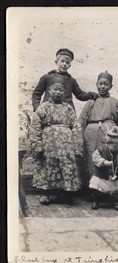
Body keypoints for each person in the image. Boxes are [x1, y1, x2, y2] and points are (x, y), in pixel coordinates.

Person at [29, 77, 83, 205]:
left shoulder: (68, 108)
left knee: (65, 166)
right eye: (55, 89)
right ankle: (45, 194)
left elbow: (76, 126)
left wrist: (77, 146)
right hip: (49, 145)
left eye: (61, 90)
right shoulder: (43, 108)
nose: (58, 92)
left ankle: (63, 194)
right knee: (47, 166)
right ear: (49, 90)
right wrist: (38, 145)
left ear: (64, 92)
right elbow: (35, 127)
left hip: (66, 146)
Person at [78, 71, 118, 185]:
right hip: (91, 135)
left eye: (106, 84)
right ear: (96, 84)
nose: (103, 86)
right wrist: (78, 139)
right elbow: (81, 121)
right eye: (100, 83)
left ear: (111, 86)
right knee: (92, 159)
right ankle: (92, 190)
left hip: (109, 135)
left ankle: (109, 191)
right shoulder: (91, 101)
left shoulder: (115, 102)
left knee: (109, 159)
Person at [32, 48, 98, 111]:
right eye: (62, 61)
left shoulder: (71, 80)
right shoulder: (47, 77)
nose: (64, 64)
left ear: (69, 66)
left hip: (67, 112)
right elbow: (37, 93)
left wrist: (90, 95)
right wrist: (37, 107)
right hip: (49, 111)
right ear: (56, 62)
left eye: (67, 62)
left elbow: (80, 95)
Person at [89, 126, 118, 210]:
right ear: (107, 143)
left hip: (114, 175)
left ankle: (115, 202)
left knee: (115, 191)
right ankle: (96, 201)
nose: (116, 148)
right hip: (102, 175)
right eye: (114, 147)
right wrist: (103, 162)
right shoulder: (101, 150)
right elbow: (95, 157)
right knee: (97, 189)